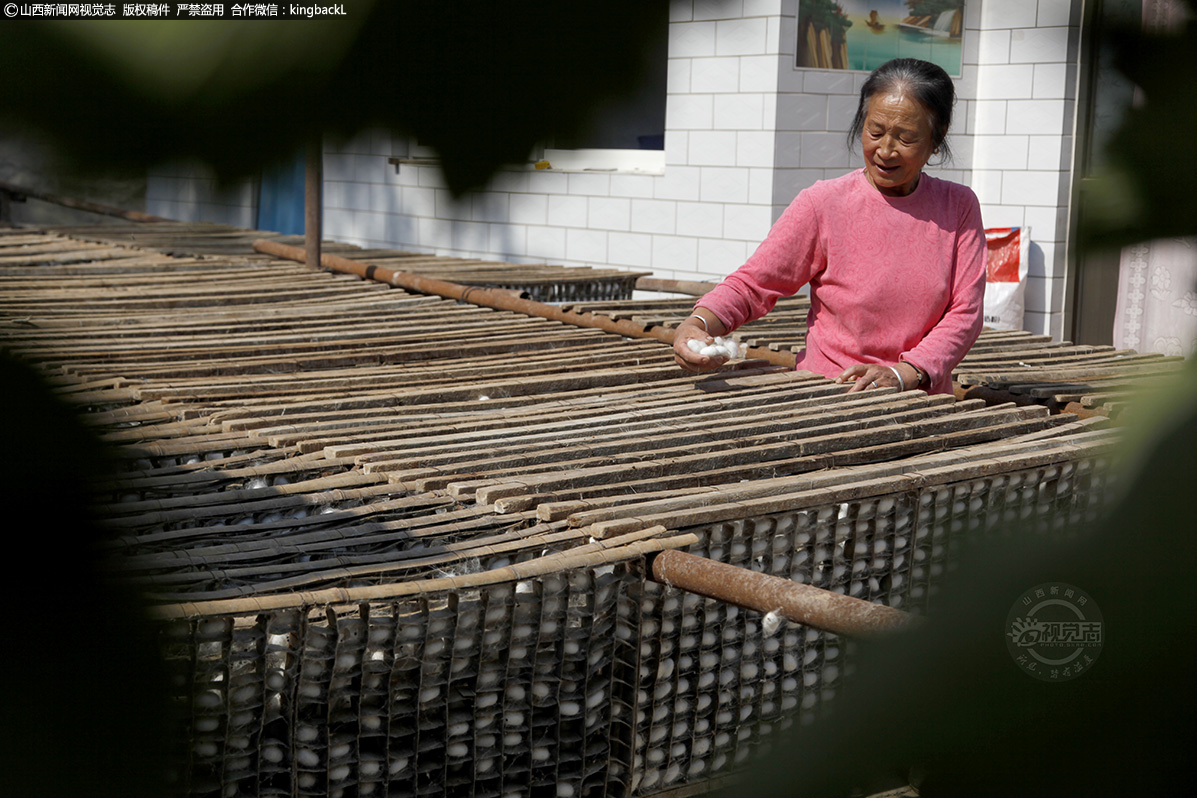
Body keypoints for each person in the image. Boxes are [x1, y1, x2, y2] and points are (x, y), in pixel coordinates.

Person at [673, 58, 986, 396]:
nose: (885, 150)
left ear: (936, 140)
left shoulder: (958, 206)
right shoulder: (823, 203)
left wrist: (905, 373)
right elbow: (754, 284)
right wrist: (699, 323)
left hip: (920, 402)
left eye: (906, 138)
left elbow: (965, 313)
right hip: (830, 396)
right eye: (875, 131)